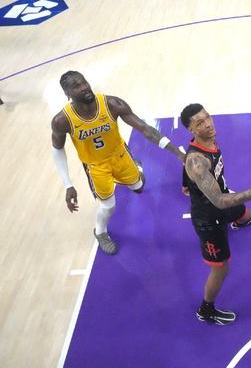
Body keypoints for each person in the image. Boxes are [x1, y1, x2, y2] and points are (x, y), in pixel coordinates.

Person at [51, 71, 185, 255]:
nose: (84, 87)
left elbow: (145, 129)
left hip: (120, 156)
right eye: (76, 86)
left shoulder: (111, 104)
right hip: (96, 167)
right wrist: (68, 185)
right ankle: (100, 232)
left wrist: (178, 153)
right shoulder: (62, 120)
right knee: (109, 206)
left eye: (84, 82)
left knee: (139, 186)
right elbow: (57, 149)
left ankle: (136, 168)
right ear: (68, 94)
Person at [180, 103, 251, 325]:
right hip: (209, 219)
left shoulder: (207, 140)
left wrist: (186, 184)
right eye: (200, 123)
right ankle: (206, 310)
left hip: (221, 198)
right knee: (221, 269)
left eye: (208, 117)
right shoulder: (197, 162)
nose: (208, 124)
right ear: (191, 129)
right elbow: (220, 201)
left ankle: (240, 222)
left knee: (243, 211)